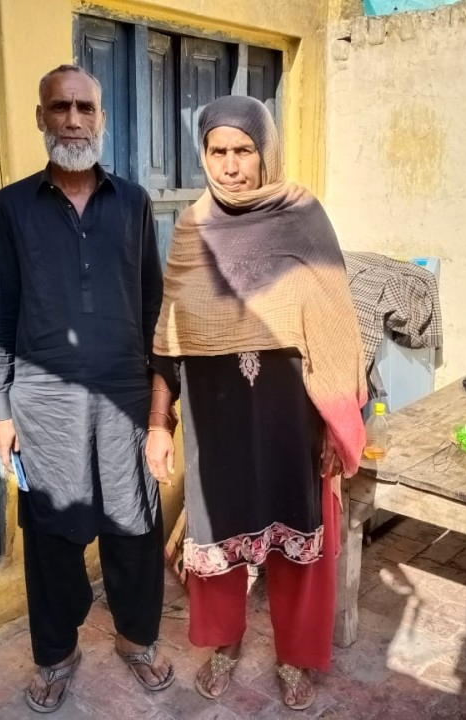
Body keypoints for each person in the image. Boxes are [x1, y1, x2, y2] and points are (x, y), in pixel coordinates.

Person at [146, 95, 368, 711]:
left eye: (243, 150)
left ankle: (296, 659)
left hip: (290, 413)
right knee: (217, 541)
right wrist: (159, 421)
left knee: (300, 535)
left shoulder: (301, 216)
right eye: (218, 151)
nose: (231, 165)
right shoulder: (193, 228)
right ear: (204, 156)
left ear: (265, 152)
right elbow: (169, 336)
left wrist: (333, 418)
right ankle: (222, 645)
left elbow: (334, 321)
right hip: (215, 417)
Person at [0, 64, 174, 713]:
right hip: (44, 405)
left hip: (125, 398)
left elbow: (156, 308)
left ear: (101, 117)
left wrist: (160, 413)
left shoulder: (135, 202)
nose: (72, 119)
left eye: (84, 107)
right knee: (52, 537)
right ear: (41, 117)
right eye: (59, 107)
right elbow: (0, 310)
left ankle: (137, 639)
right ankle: (57, 655)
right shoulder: (11, 206)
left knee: (134, 525)